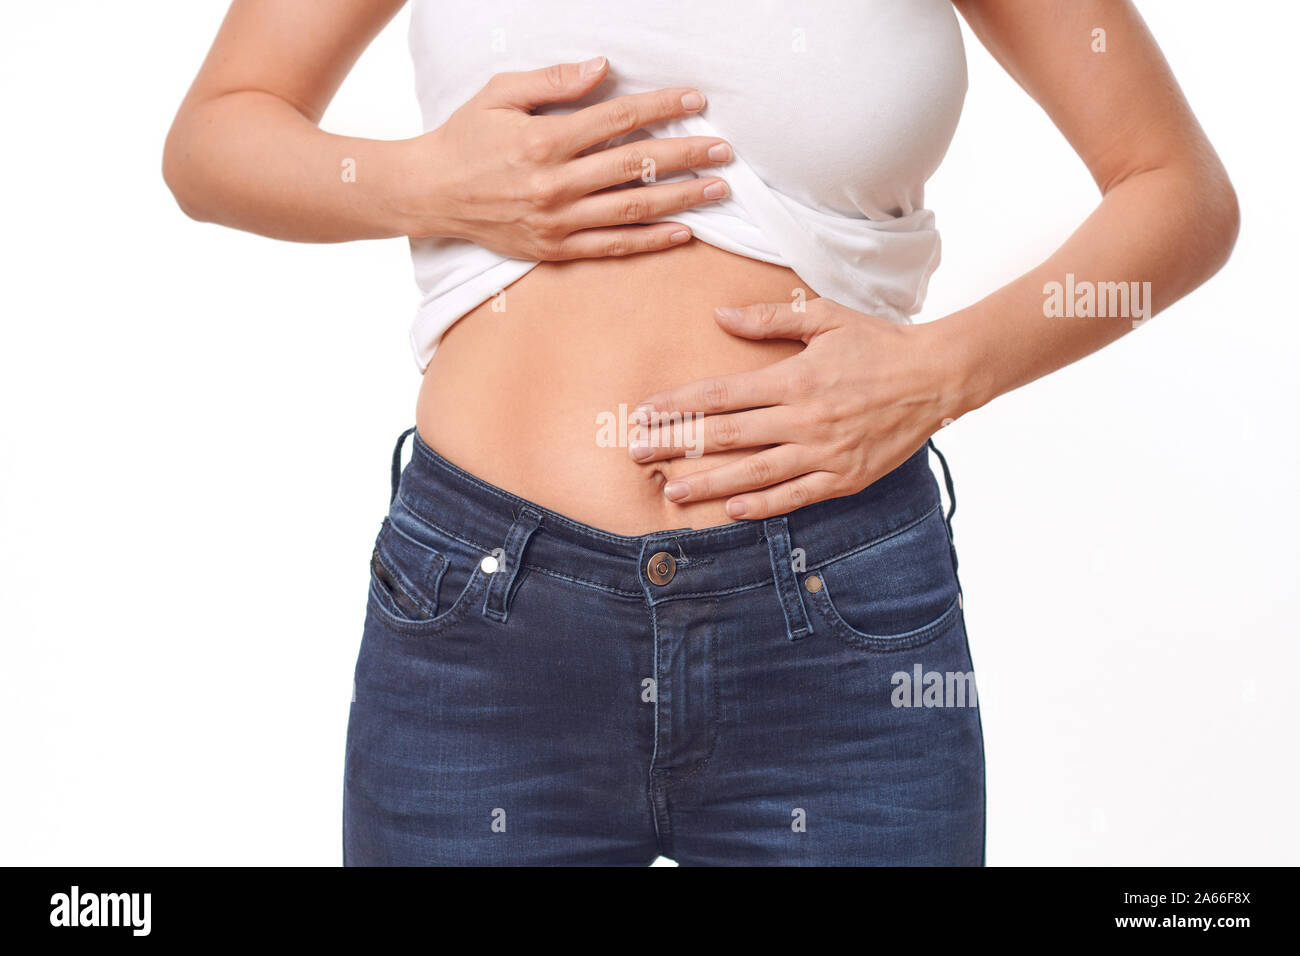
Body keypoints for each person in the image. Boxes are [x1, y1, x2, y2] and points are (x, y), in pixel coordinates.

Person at [163, 0, 1238, 865]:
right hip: (482, 628)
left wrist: (944, 370)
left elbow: (1177, 190)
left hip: (838, 624)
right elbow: (214, 136)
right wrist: (427, 181)